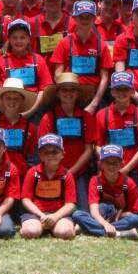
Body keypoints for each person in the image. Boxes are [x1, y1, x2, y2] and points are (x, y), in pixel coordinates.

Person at [36, 73, 97, 207]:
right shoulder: (48, 118)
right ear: (57, 93)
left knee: (84, 210)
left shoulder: (86, 117)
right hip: (53, 172)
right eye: (64, 89)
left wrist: (71, 172)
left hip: (79, 171)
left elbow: (89, 149)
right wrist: (59, 171)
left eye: (72, 90)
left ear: (77, 94)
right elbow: (43, 151)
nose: (68, 93)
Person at [49, 0, 112, 113]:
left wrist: (95, 103)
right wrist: (67, 98)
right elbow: (57, 74)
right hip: (69, 96)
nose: (84, 20)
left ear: (94, 19)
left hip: (93, 98)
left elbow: (105, 78)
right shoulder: (64, 43)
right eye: (81, 17)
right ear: (74, 18)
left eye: (88, 17)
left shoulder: (101, 46)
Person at [73, 144, 138, 239]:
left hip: (118, 219)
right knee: (77, 214)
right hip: (100, 217)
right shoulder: (95, 180)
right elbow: (94, 211)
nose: (111, 166)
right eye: (107, 162)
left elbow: (135, 213)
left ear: (121, 164)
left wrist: (120, 215)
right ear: (101, 164)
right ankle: (119, 234)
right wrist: (105, 224)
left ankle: (89, 228)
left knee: (135, 220)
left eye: (115, 163)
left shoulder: (129, 183)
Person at [95, 71, 138, 187]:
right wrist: (109, 165)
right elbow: (97, 146)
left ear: (133, 92)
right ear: (112, 92)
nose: (122, 93)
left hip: (133, 172)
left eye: (125, 89)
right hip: (108, 172)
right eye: (118, 89)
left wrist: (126, 168)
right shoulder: (101, 115)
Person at [18, 134, 77, 240]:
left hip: (59, 214)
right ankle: (35, 227)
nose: (51, 155)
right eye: (46, 152)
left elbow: (70, 204)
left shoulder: (67, 175)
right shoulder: (32, 172)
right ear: (40, 155)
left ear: (62, 154)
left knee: (64, 233)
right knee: (31, 232)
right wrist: (41, 215)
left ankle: (68, 227)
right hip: (36, 213)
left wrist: (55, 216)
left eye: (55, 151)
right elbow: (26, 200)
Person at [0, 79, 39, 174]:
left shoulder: (31, 128)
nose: (12, 101)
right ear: (2, 99)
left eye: (16, 98)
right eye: (8, 98)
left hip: (21, 174)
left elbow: (32, 155)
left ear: (22, 100)